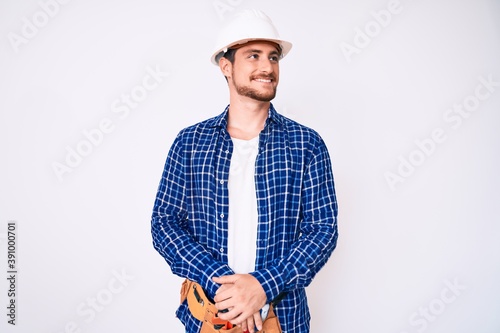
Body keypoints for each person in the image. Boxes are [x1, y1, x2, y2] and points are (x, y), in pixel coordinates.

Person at [151, 9, 338, 333]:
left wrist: (262, 286)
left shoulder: (306, 145)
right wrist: (223, 285)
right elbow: (165, 224)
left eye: (273, 57)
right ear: (226, 65)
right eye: (253, 56)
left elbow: (322, 231)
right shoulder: (191, 143)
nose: (267, 67)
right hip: (209, 316)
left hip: (281, 321)